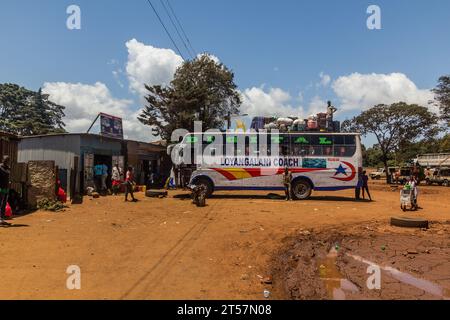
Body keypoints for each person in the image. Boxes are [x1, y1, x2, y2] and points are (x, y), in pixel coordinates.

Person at [0, 156, 12, 226]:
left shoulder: (8, 168)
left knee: (4, 204)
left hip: (6, 188)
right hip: (1, 188)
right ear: (2, 160)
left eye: (8, 160)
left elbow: (7, 176)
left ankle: (1, 219)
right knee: (0, 203)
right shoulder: (0, 167)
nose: (6, 161)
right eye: (5, 160)